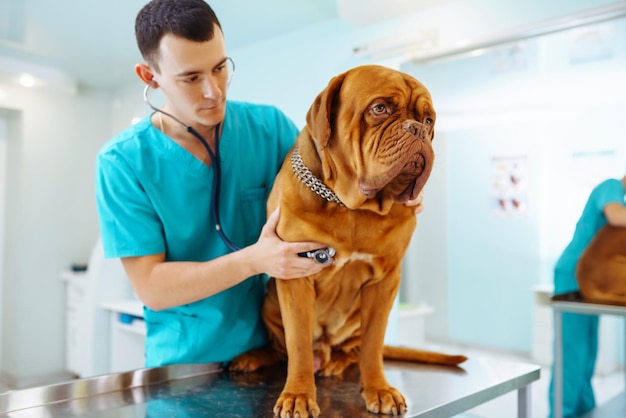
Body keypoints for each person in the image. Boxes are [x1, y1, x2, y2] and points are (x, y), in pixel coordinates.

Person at [95, 0, 424, 369]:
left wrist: (394, 184)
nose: (213, 91)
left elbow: (335, 185)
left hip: (279, 353)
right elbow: (151, 287)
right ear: (149, 77)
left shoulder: (268, 127)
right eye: (191, 78)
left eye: (220, 68)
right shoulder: (122, 163)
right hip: (187, 363)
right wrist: (254, 260)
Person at [548, 173, 626, 418]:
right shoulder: (611, 186)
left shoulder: (618, 197)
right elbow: (615, 217)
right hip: (572, 277)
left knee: (588, 350)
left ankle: (585, 409)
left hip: (592, 282)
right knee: (571, 352)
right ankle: (563, 413)